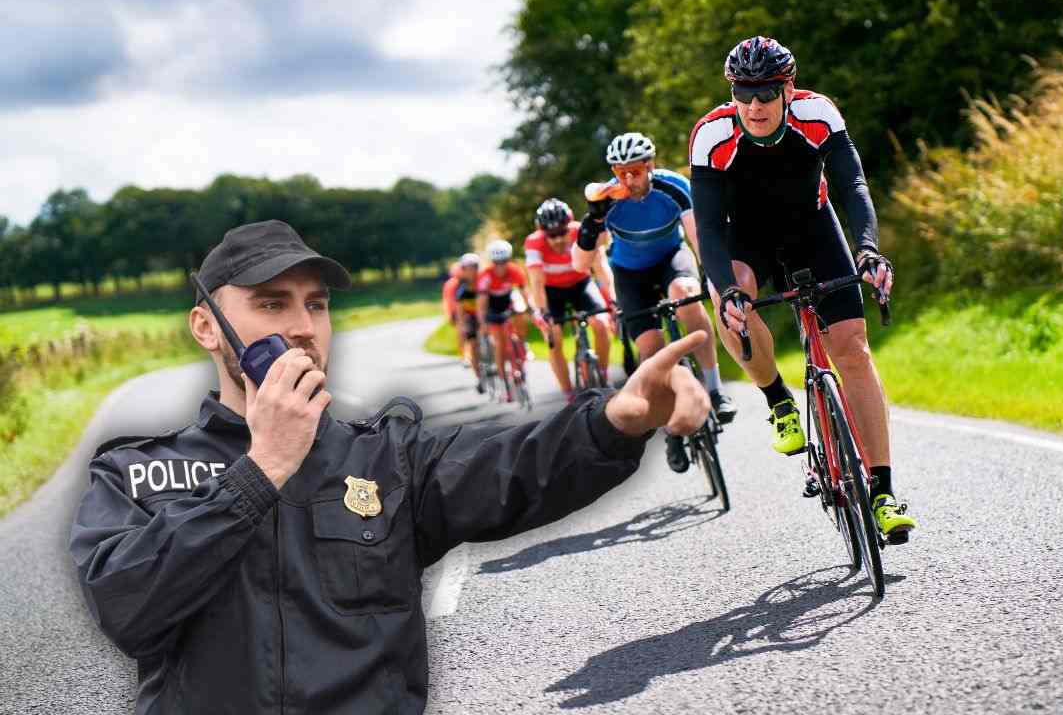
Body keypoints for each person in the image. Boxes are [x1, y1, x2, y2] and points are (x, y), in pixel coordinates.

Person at [69, 219, 711, 714]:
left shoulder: (386, 455)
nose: (302, 327)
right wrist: (261, 471)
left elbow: (510, 465)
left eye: (315, 305)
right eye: (271, 305)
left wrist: (616, 417)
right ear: (206, 327)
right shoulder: (137, 475)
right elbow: (128, 608)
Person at [689, 35, 916, 540]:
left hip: (813, 227)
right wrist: (727, 291)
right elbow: (707, 227)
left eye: (766, 93)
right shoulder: (711, 134)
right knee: (733, 306)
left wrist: (868, 251)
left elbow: (852, 187)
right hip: (745, 236)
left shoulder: (818, 115)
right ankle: (777, 400)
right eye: (742, 93)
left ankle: (882, 492)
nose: (754, 105)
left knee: (852, 348)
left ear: (787, 88)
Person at [574, 132, 737, 475]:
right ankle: (672, 430)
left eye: (635, 171)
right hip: (629, 273)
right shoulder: (608, 198)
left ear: (649, 165)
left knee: (684, 290)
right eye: (621, 173)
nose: (628, 180)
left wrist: (712, 277)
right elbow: (579, 263)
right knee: (651, 348)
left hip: (670, 259)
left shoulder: (673, 186)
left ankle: (714, 388)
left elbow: (697, 236)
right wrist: (592, 222)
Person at [525, 198, 614, 398]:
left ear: (569, 225)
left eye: (562, 232)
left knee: (601, 323)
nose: (558, 239)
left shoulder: (581, 230)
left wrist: (612, 298)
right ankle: (568, 393)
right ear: (542, 232)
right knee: (553, 336)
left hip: (580, 285)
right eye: (551, 235)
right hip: (551, 290)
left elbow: (600, 267)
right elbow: (537, 283)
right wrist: (543, 312)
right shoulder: (533, 242)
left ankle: (602, 373)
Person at [475, 238, 532, 401]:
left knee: (520, 312)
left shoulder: (515, 271)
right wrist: (483, 322)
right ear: (492, 262)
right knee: (499, 344)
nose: (500, 266)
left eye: (504, 262)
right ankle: (504, 380)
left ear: (508, 259)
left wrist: (529, 309)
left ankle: (521, 342)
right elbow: (481, 303)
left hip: (508, 301)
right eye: (497, 262)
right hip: (492, 306)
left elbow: (524, 293)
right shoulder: (485, 276)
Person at [453, 252, 484, 391]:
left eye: (474, 267)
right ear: (463, 270)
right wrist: (462, 327)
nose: (471, 271)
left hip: (484, 313)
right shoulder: (461, 289)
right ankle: (479, 377)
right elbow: (459, 312)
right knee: (473, 344)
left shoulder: (484, 282)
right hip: (470, 316)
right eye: (468, 268)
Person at [441, 260, 468, 365]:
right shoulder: (451, 284)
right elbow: (447, 300)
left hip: (469, 310)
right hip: (456, 313)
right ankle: (464, 355)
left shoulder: (468, 281)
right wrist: (449, 314)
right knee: (462, 333)